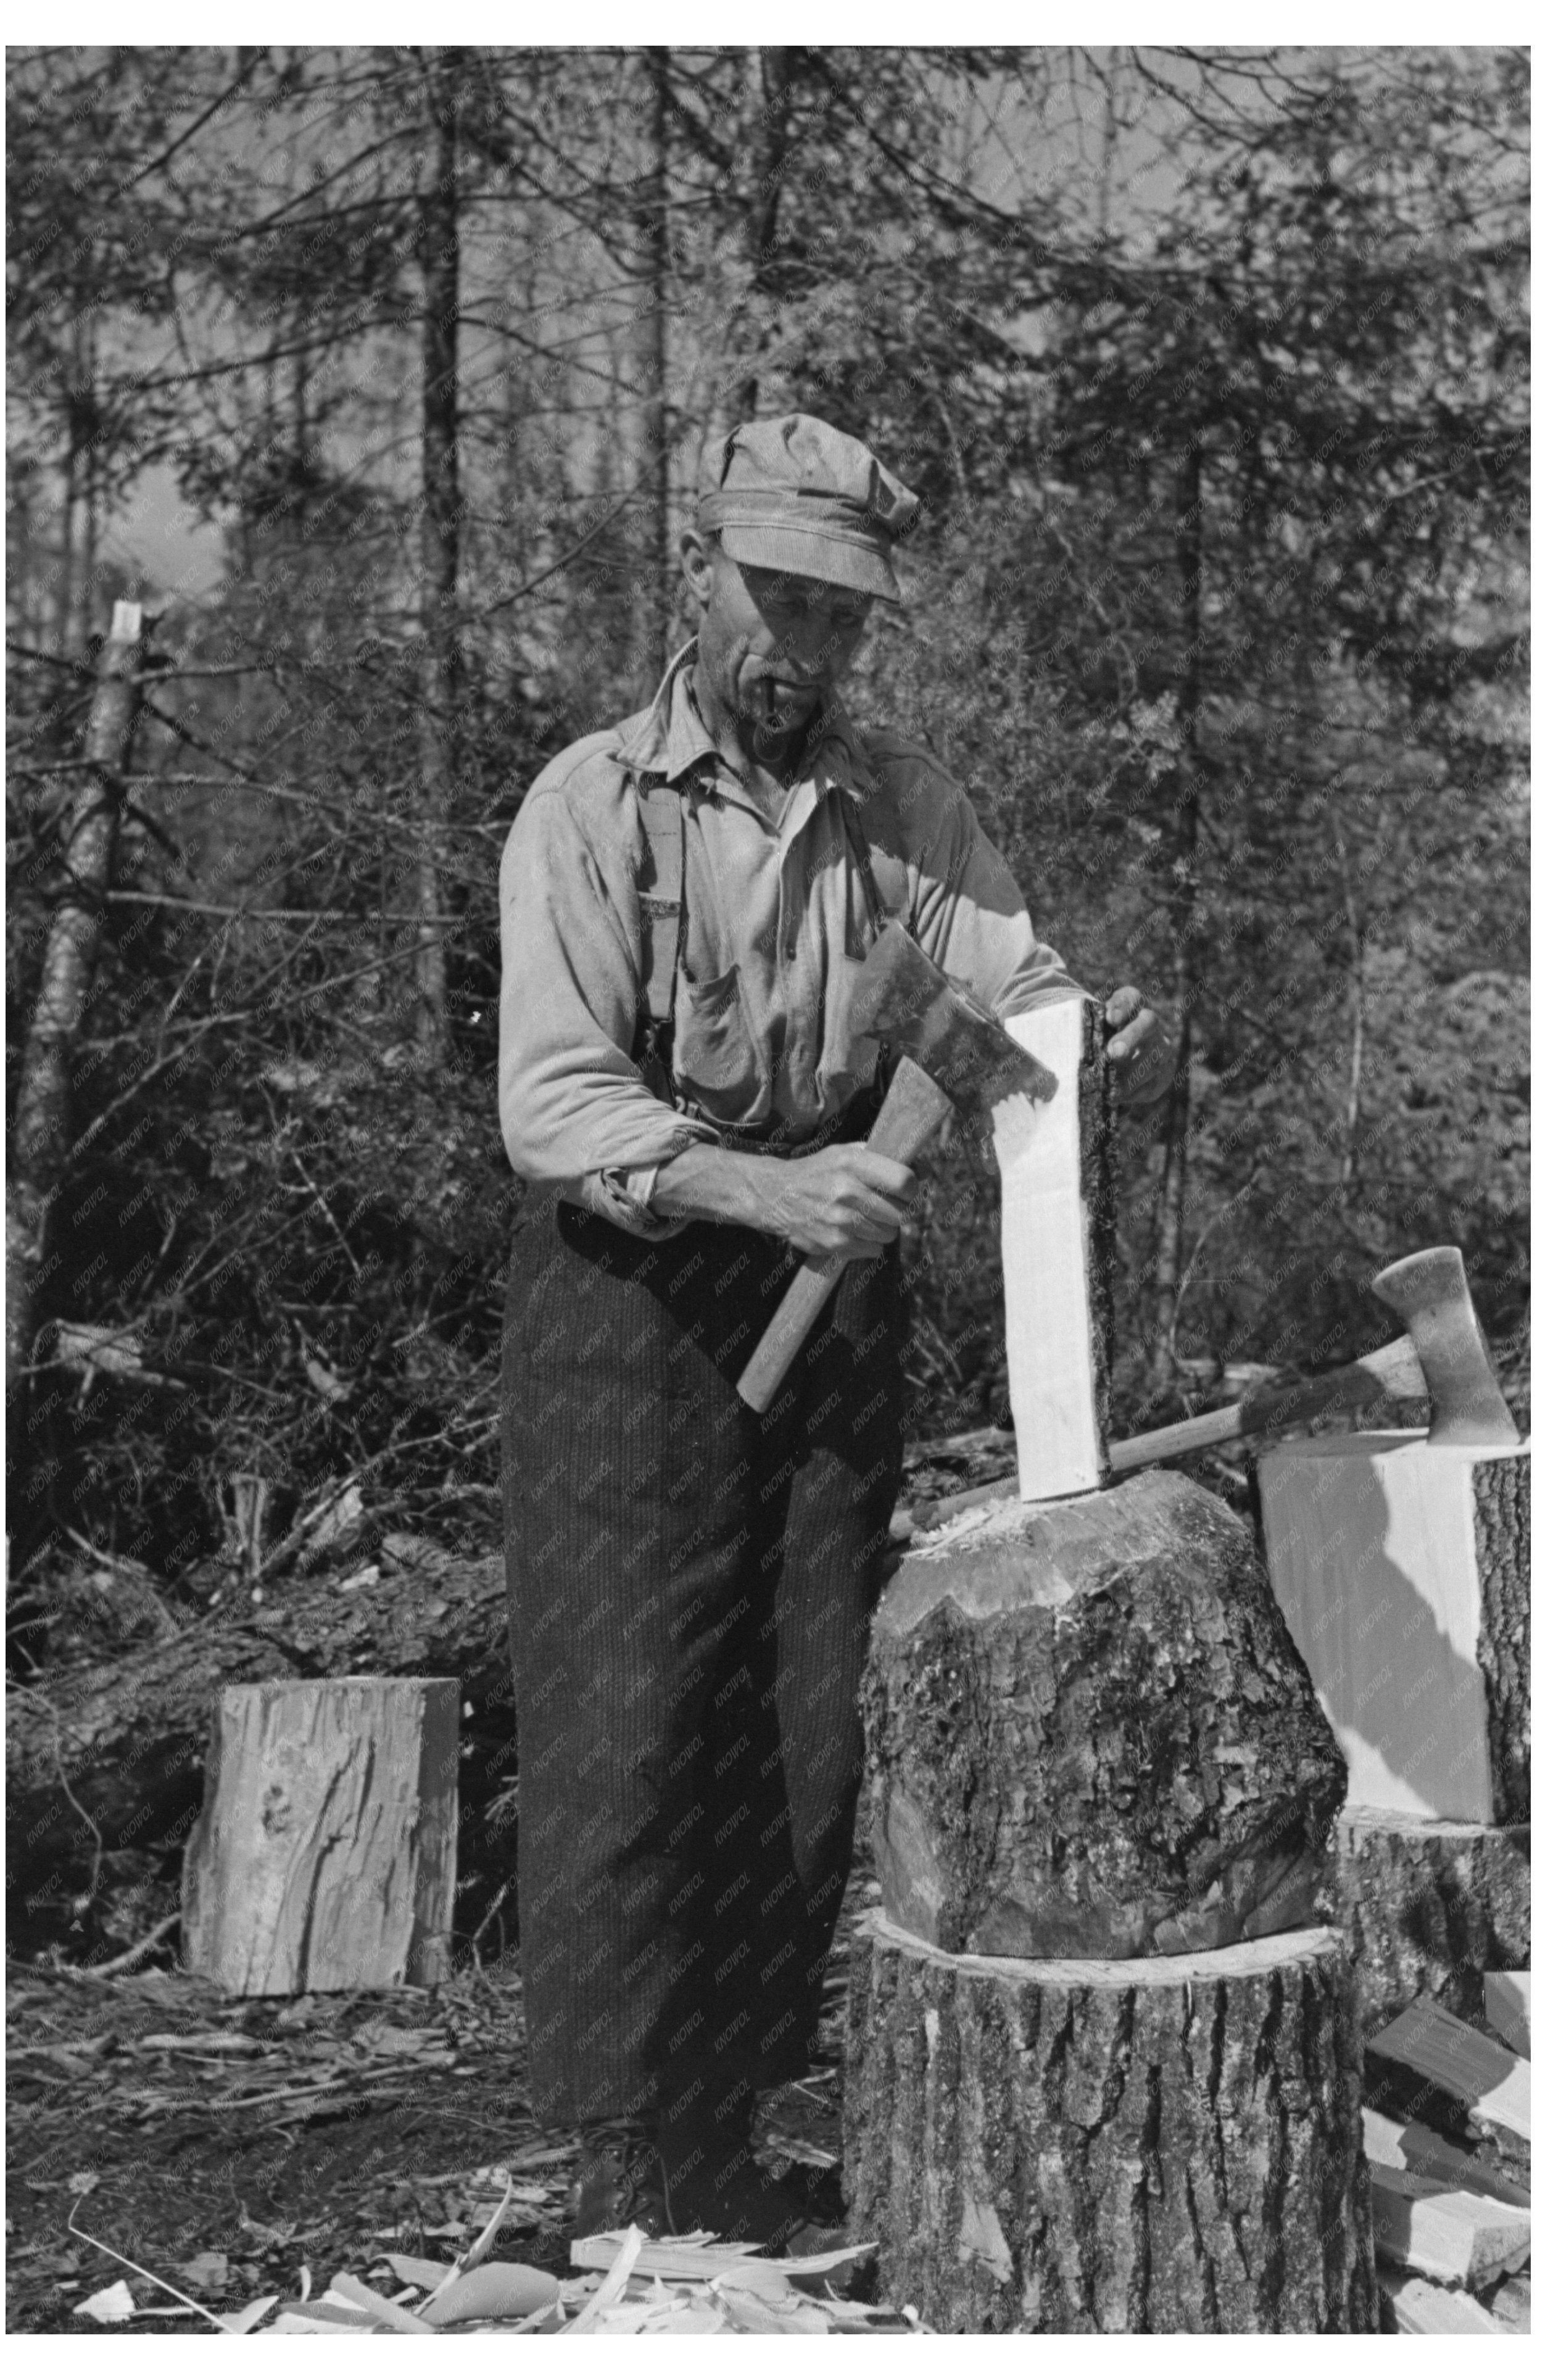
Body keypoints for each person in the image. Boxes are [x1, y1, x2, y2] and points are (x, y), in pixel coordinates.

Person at [495, 413, 1170, 2249]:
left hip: (835, 1269)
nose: (802, 647)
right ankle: (623, 2165)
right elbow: (552, 1106)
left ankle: (722, 2136)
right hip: (626, 1283)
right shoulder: (589, 804)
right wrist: (758, 1191)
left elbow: (1016, 989)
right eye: (775, 598)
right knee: (630, 1720)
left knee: (797, 1725)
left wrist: (1065, 1041)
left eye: (842, 616)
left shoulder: (906, 808)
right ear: (695, 574)